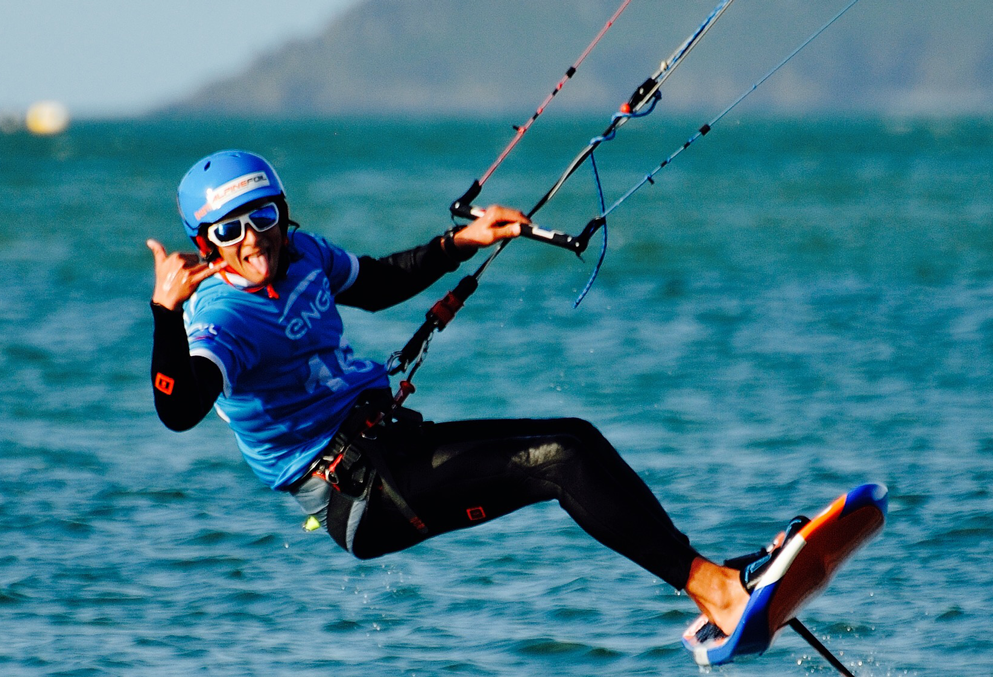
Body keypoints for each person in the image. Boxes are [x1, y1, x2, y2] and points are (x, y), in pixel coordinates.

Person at [146, 149, 755, 639]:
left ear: (283, 213)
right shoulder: (221, 319)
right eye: (229, 229)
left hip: (392, 445)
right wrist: (164, 314)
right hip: (358, 494)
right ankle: (715, 589)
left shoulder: (304, 255)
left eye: (264, 218)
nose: (253, 240)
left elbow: (378, 282)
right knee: (562, 462)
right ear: (204, 243)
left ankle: (714, 583)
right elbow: (179, 409)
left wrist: (463, 241)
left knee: (577, 437)